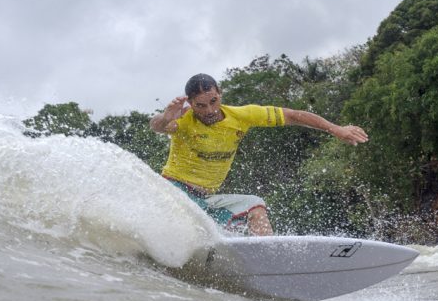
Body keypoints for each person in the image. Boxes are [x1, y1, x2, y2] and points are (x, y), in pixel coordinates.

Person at [150, 73, 368, 236]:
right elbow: (158, 127)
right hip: (174, 193)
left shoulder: (242, 116)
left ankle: (267, 256)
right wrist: (166, 117)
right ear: (190, 103)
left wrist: (336, 129)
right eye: (200, 105)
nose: (209, 110)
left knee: (256, 206)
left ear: (220, 94)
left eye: (213, 101)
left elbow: (293, 116)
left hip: (206, 200)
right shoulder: (184, 118)